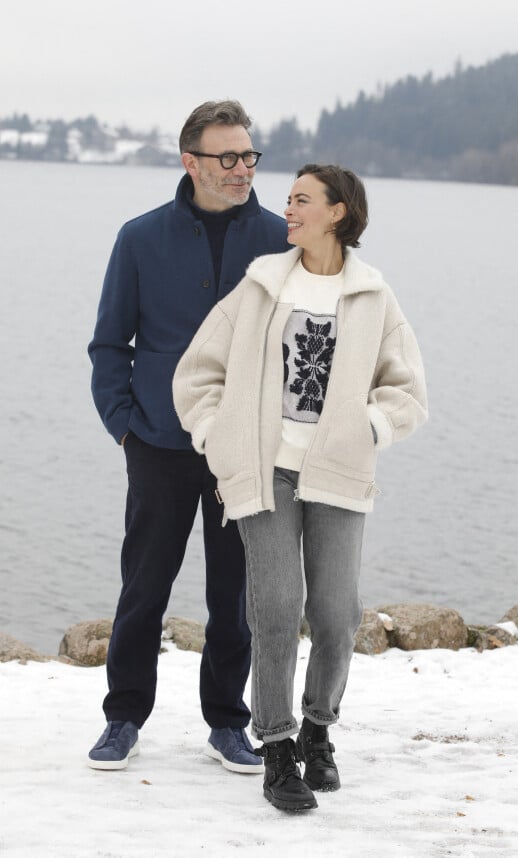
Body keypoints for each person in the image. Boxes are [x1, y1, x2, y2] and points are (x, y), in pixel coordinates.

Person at [172, 163, 428, 811]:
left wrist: (369, 426)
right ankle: (277, 747)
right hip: (266, 472)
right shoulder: (261, 287)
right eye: (287, 199)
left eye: (303, 200)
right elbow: (197, 373)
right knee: (277, 608)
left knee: (338, 616)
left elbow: (408, 391)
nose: (288, 209)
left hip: (339, 474)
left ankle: (318, 730)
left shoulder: (373, 296)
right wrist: (214, 435)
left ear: (338, 212)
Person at [87, 100, 289, 772]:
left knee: (234, 593)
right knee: (144, 586)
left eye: (249, 156)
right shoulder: (138, 238)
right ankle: (123, 717)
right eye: (227, 157)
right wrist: (124, 427)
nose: (242, 169)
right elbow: (110, 343)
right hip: (159, 444)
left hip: (244, 447)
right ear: (191, 161)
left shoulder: (281, 239)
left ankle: (228, 723)